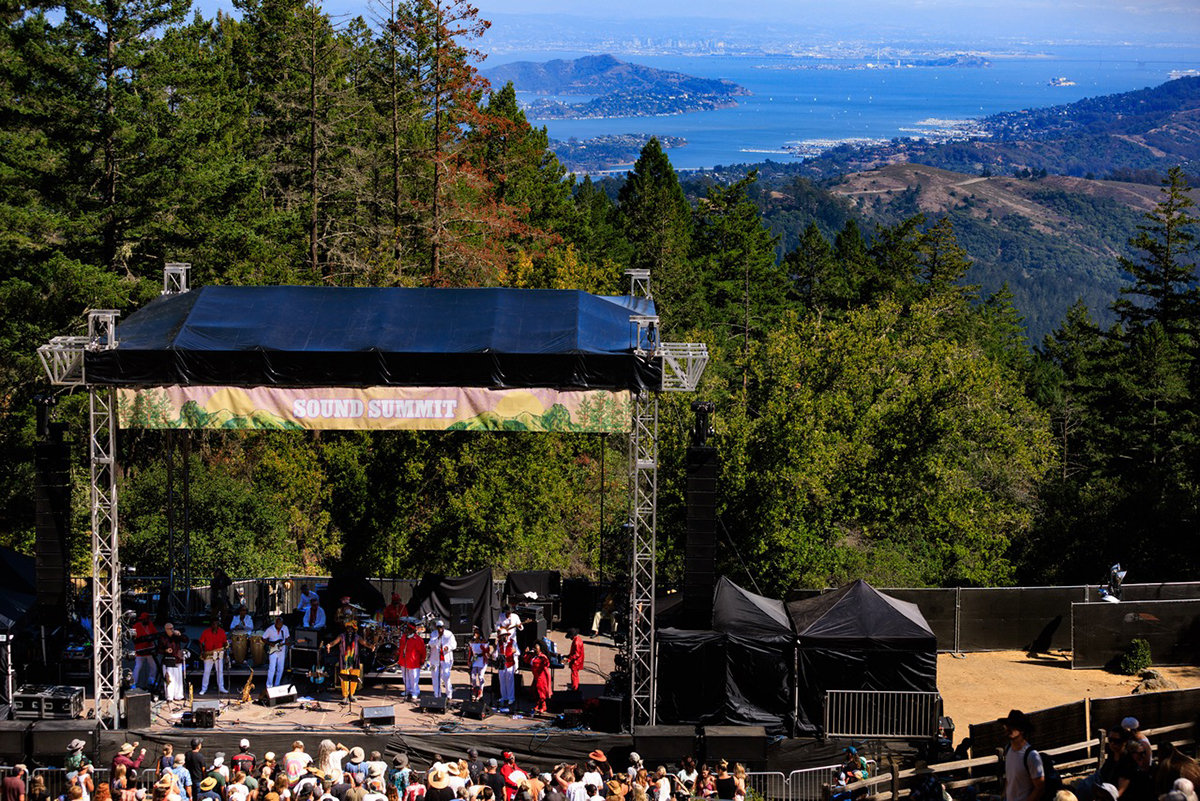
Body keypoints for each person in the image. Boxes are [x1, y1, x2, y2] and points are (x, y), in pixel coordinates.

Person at [1003, 710, 1045, 801]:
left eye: (1013, 726)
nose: (1008, 728)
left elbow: (1040, 787)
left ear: (1022, 730)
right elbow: (1009, 779)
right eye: (1008, 725)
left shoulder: (1032, 756)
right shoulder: (1008, 749)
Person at [325, 622, 372, 703]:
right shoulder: (342, 636)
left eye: (351, 629)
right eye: (348, 629)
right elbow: (334, 642)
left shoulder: (357, 637)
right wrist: (329, 645)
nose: (349, 631)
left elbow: (364, 642)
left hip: (354, 660)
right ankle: (345, 696)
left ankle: (352, 694)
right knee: (344, 678)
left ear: (354, 630)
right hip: (344, 660)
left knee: (354, 678)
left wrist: (371, 646)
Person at [160, 623, 189, 702]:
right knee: (169, 679)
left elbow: (186, 640)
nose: (172, 630)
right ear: (166, 630)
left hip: (177, 659)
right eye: (170, 629)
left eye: (173, 628)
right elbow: (158, 649)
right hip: (168, 660)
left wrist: (180, 635)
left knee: (178, 678)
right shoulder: (162, 637)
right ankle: (169, 696)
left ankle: (179, 695)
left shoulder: (176, 636)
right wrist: (165, 650)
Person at [428, 620, 457, 700]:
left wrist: (448, 648)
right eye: (438, 627)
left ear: (443, 627)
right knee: (435, 676)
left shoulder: (449, 634)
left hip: (446, 659)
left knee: (446, 676)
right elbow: (431, 644)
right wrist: (438, 638)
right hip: (434, 659)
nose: (439, 629)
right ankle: (437, 694)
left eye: (441, 627)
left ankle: (449, 695)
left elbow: (454, 645)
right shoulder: (433, 634)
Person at [199, 619, 229, 694]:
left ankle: (221, 687)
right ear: (211, 625)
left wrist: (225, 652)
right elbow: (200, 642)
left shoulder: (222, 632)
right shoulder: (206, 632)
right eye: (213, 624)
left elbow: (225, 642)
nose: (215, 626)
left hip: (219, 653)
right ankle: (204, 688)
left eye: (216, 625)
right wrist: (202, 652)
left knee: (220, 671)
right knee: (207, 671)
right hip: (208, 653)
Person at [399, 620, 426, 702]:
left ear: (413, 630)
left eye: (409, 629)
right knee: (405, 678)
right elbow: (401, 648)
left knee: (414, 678)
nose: (406, 630)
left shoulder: (418, 639)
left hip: (414, 662)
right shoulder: (404, 637)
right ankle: (407, 690)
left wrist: (422, 660)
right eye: (406, 629)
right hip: (404, 661)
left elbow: (423, 651)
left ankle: (415, 692)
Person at [131, 613, 159, 690]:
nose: (148, 620)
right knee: (138, 667)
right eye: (146, 619)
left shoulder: (150, 624)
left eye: (148, 618)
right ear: (142, 619)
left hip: (150, 648)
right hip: (140, 649)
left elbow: (155, 633)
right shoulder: (136, 626)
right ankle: (133, 683)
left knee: (153, 665)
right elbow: (134, 639)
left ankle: (151, 680)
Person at [262, 614, 290, 688]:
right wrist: (269, 643)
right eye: (278, 625)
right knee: (272, 668)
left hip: (282, 650)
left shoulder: (285, 628)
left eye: (281, 625)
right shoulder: (270, 629)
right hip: (273, 650)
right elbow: (263, 638)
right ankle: (269, 685)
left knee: (280, 668)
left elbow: (287, 637)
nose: (280, 627)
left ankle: (277, 684)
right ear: (275, 623)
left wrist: (286, 642)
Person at [527, 642, 551, 714]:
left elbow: (547, 664)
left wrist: (544, 660)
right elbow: (527, 660)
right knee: (534, 691)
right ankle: (537, 704)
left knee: (541, 692)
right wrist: (526, 653)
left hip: (541, 677)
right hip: (536, 676)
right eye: (534, 648)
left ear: (540, 649)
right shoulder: (533, 656)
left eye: (536, 648)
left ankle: (543, 706)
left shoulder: (542, 657)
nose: (534, 649)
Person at [467, 627, 491, 702]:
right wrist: (469, 660)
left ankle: (481, 691)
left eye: (477, 633)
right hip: (475, 659)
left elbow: (487, 651)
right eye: (475, 632)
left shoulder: (483, 642)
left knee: (480, 676)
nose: (475, 634)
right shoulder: (472, 642)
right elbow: (470, 652)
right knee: (473, 676)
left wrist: (483, 648)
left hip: (482, 660)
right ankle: (474, 690)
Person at [496, 630, 517, 710]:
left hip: (509, 664)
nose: (504, 637)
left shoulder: (512, 642)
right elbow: (497, 653)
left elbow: (517, 652)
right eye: (503, 636)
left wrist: (514, 651)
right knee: (502, 681)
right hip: (502, 664)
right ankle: (503, 696)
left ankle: (511, 698)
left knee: (510, 681)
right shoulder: (499, 644)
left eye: (506, 635)